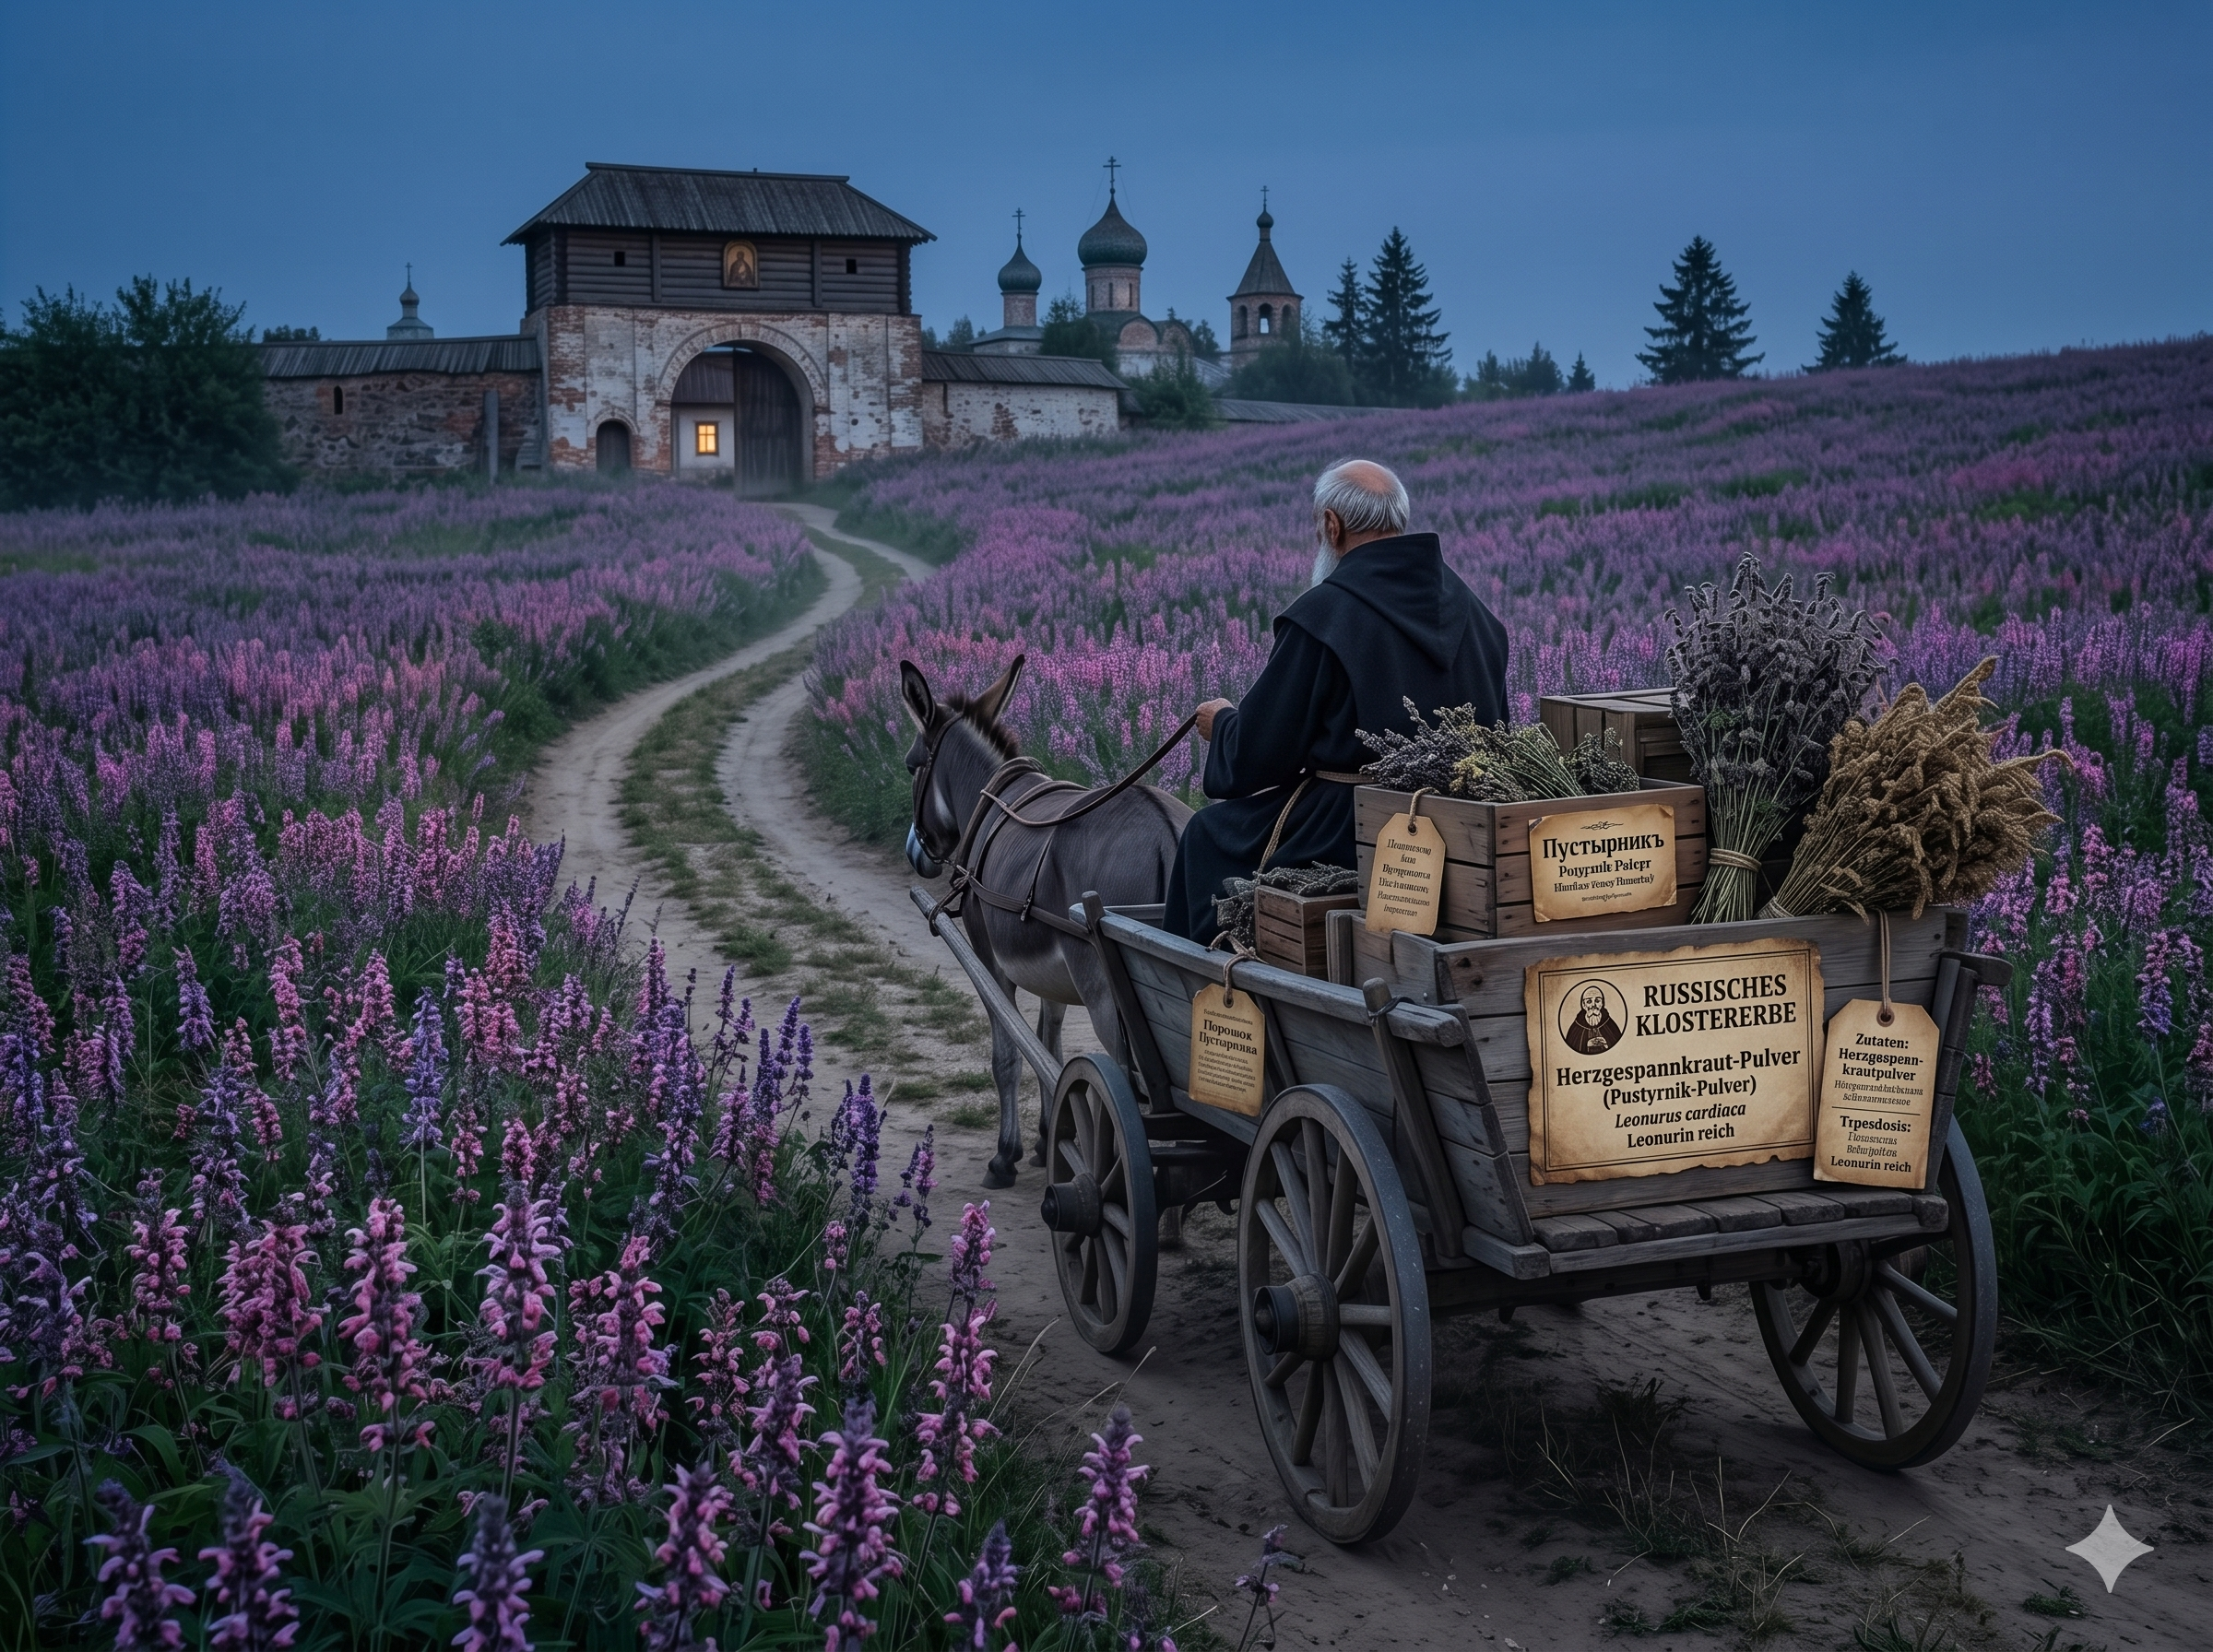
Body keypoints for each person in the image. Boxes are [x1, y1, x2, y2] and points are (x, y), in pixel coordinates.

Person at [1165, 459, 1509, 939]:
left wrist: (1222, 724)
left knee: (1207, 835)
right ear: (1399, 520)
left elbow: (1260, 755)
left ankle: (1209, 989)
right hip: (1465, 822)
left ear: (1333, 525)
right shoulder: (1479, 616)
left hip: (1347, 830)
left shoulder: (1323, 616)